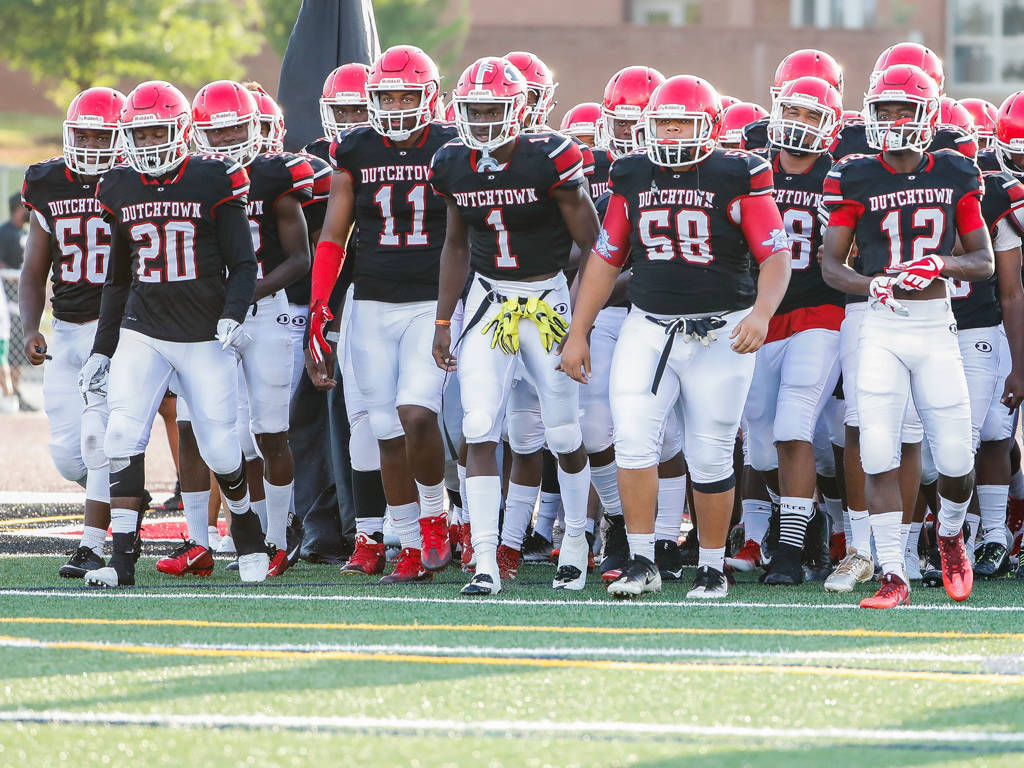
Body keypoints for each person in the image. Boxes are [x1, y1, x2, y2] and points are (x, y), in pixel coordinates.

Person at [560, 74, 792, 599]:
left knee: (710, 454)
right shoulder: (634, 173)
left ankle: (712, 566)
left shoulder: (739, 174)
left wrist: (760, 313)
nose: (669, 133)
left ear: (707, 127)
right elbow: (604, 258)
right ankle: (643, 560)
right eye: (661, 123)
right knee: (635, 440)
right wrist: (579, 330)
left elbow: (775, 255)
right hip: (649, 325)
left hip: (720, 332)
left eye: (680, 123)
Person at [821, 64, 994, 608]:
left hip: (937, 326)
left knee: (956, 461)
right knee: (876, 448)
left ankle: (947, 533)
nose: (893, 120)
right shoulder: (854, 175)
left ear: (927, 114)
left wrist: (940, 262)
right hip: (881, 326)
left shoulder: (957, 170)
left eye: (904, 109)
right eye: (884, 110)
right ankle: (892, 572)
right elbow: (830, 266)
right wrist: (871, 284)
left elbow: (984, 261)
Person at [79, 80, 259, 587]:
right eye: (140, 132)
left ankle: (245, 529)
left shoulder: (213, 178)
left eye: (158, 128)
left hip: (204, 332)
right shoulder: (119, 186)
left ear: (181, 130)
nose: (150, 140)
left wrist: (233, 312)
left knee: (222, 449)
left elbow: (243, 264)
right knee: (119, 434)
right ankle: (121, 560)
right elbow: (117, 280)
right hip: (145, 330)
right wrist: (101, 350)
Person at [431, 55, 599, 596]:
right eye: (472, 110)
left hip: (546, 297)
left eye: (492, 110)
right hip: (486, 299)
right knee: (478, 425)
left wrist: (580, 323)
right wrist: (442, 316)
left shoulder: (550, 157)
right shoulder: (454, 162)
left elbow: (595, 244)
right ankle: (484, 557)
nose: (480, 121)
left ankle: (575, 537)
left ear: (521, 109)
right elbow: (456, 245)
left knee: (564, 433)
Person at [308, 45, 458, 583]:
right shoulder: (355, 149)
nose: (395, 106)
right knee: (383, 429)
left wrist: (452, 311)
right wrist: (319, 310)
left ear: (430, 96)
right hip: (370, 304)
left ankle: (435, 515)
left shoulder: (451, 146)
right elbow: (332, 237)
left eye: (406, 95)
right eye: (386, 96)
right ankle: (410, 542)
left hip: (429, 304)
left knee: (418, 413)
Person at [154, 80, 313, 579]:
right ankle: (198, 540)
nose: (225, 142)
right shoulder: (188, 178)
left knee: (268, 433)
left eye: (234, 130)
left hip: (262, 314)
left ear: (255, 127)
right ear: (194, 133)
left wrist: (244, 294)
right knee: (196, 430)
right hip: (202, 318)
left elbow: (299, 259)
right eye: (215, 133)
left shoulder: (272, 175)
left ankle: (276, 537)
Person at [738, 76, 844, 584]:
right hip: (760, 314)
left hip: (819, 314)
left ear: (831, 125)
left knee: (793, 426)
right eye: (793, 113)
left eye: (812, 116)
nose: (799, 125)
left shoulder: (840, 175)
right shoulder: (750, 168)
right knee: (758, 445)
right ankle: (809, 519)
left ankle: (788, 548)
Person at [19, 86, 125, 579]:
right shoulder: (47, 182)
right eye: (80, 133)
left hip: (120, 330)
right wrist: (31, 327)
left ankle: (93, 544)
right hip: (65, 328)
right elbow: (34, 269)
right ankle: (126, 495)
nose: (87, 144)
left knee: (94, 437)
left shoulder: (133, 180)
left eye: (98, 135)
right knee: (67, 455)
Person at [0, 192, 27, 270]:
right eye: (26, 206)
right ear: (19, 208)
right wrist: (13, 276)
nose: (30, 210)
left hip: (21, 281)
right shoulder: (3, 232)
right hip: (7, 280)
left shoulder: (25, 232)